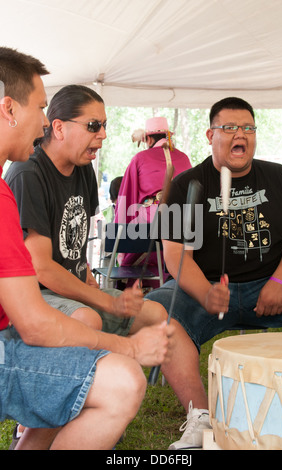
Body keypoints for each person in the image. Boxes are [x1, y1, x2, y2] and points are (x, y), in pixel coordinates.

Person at [0, 46, 174, 451]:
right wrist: (127, 346)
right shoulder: (22, 178)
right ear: (8, 109)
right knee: (122, 380)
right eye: (41, 108)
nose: (45, 121)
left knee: (84, 345)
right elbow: (36, 323)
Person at [146, 97, 282, 450]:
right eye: (229, 128)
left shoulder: (278, 176)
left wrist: (279, 282)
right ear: (210, 135)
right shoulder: (184, 185)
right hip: (208, 287)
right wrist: (204, 293)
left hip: (273, 286)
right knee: (156, 312)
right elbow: (174, 253)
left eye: (247, 127)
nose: (239, 134)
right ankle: (201, 418)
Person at [114, 117, 192, 287]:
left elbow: (126, 197)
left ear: (148, 139)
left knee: (130, 256)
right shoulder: (184, 158)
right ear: (168, 136)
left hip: (150, 222)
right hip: (182, 222)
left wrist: (119, 240)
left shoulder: (140, 158)